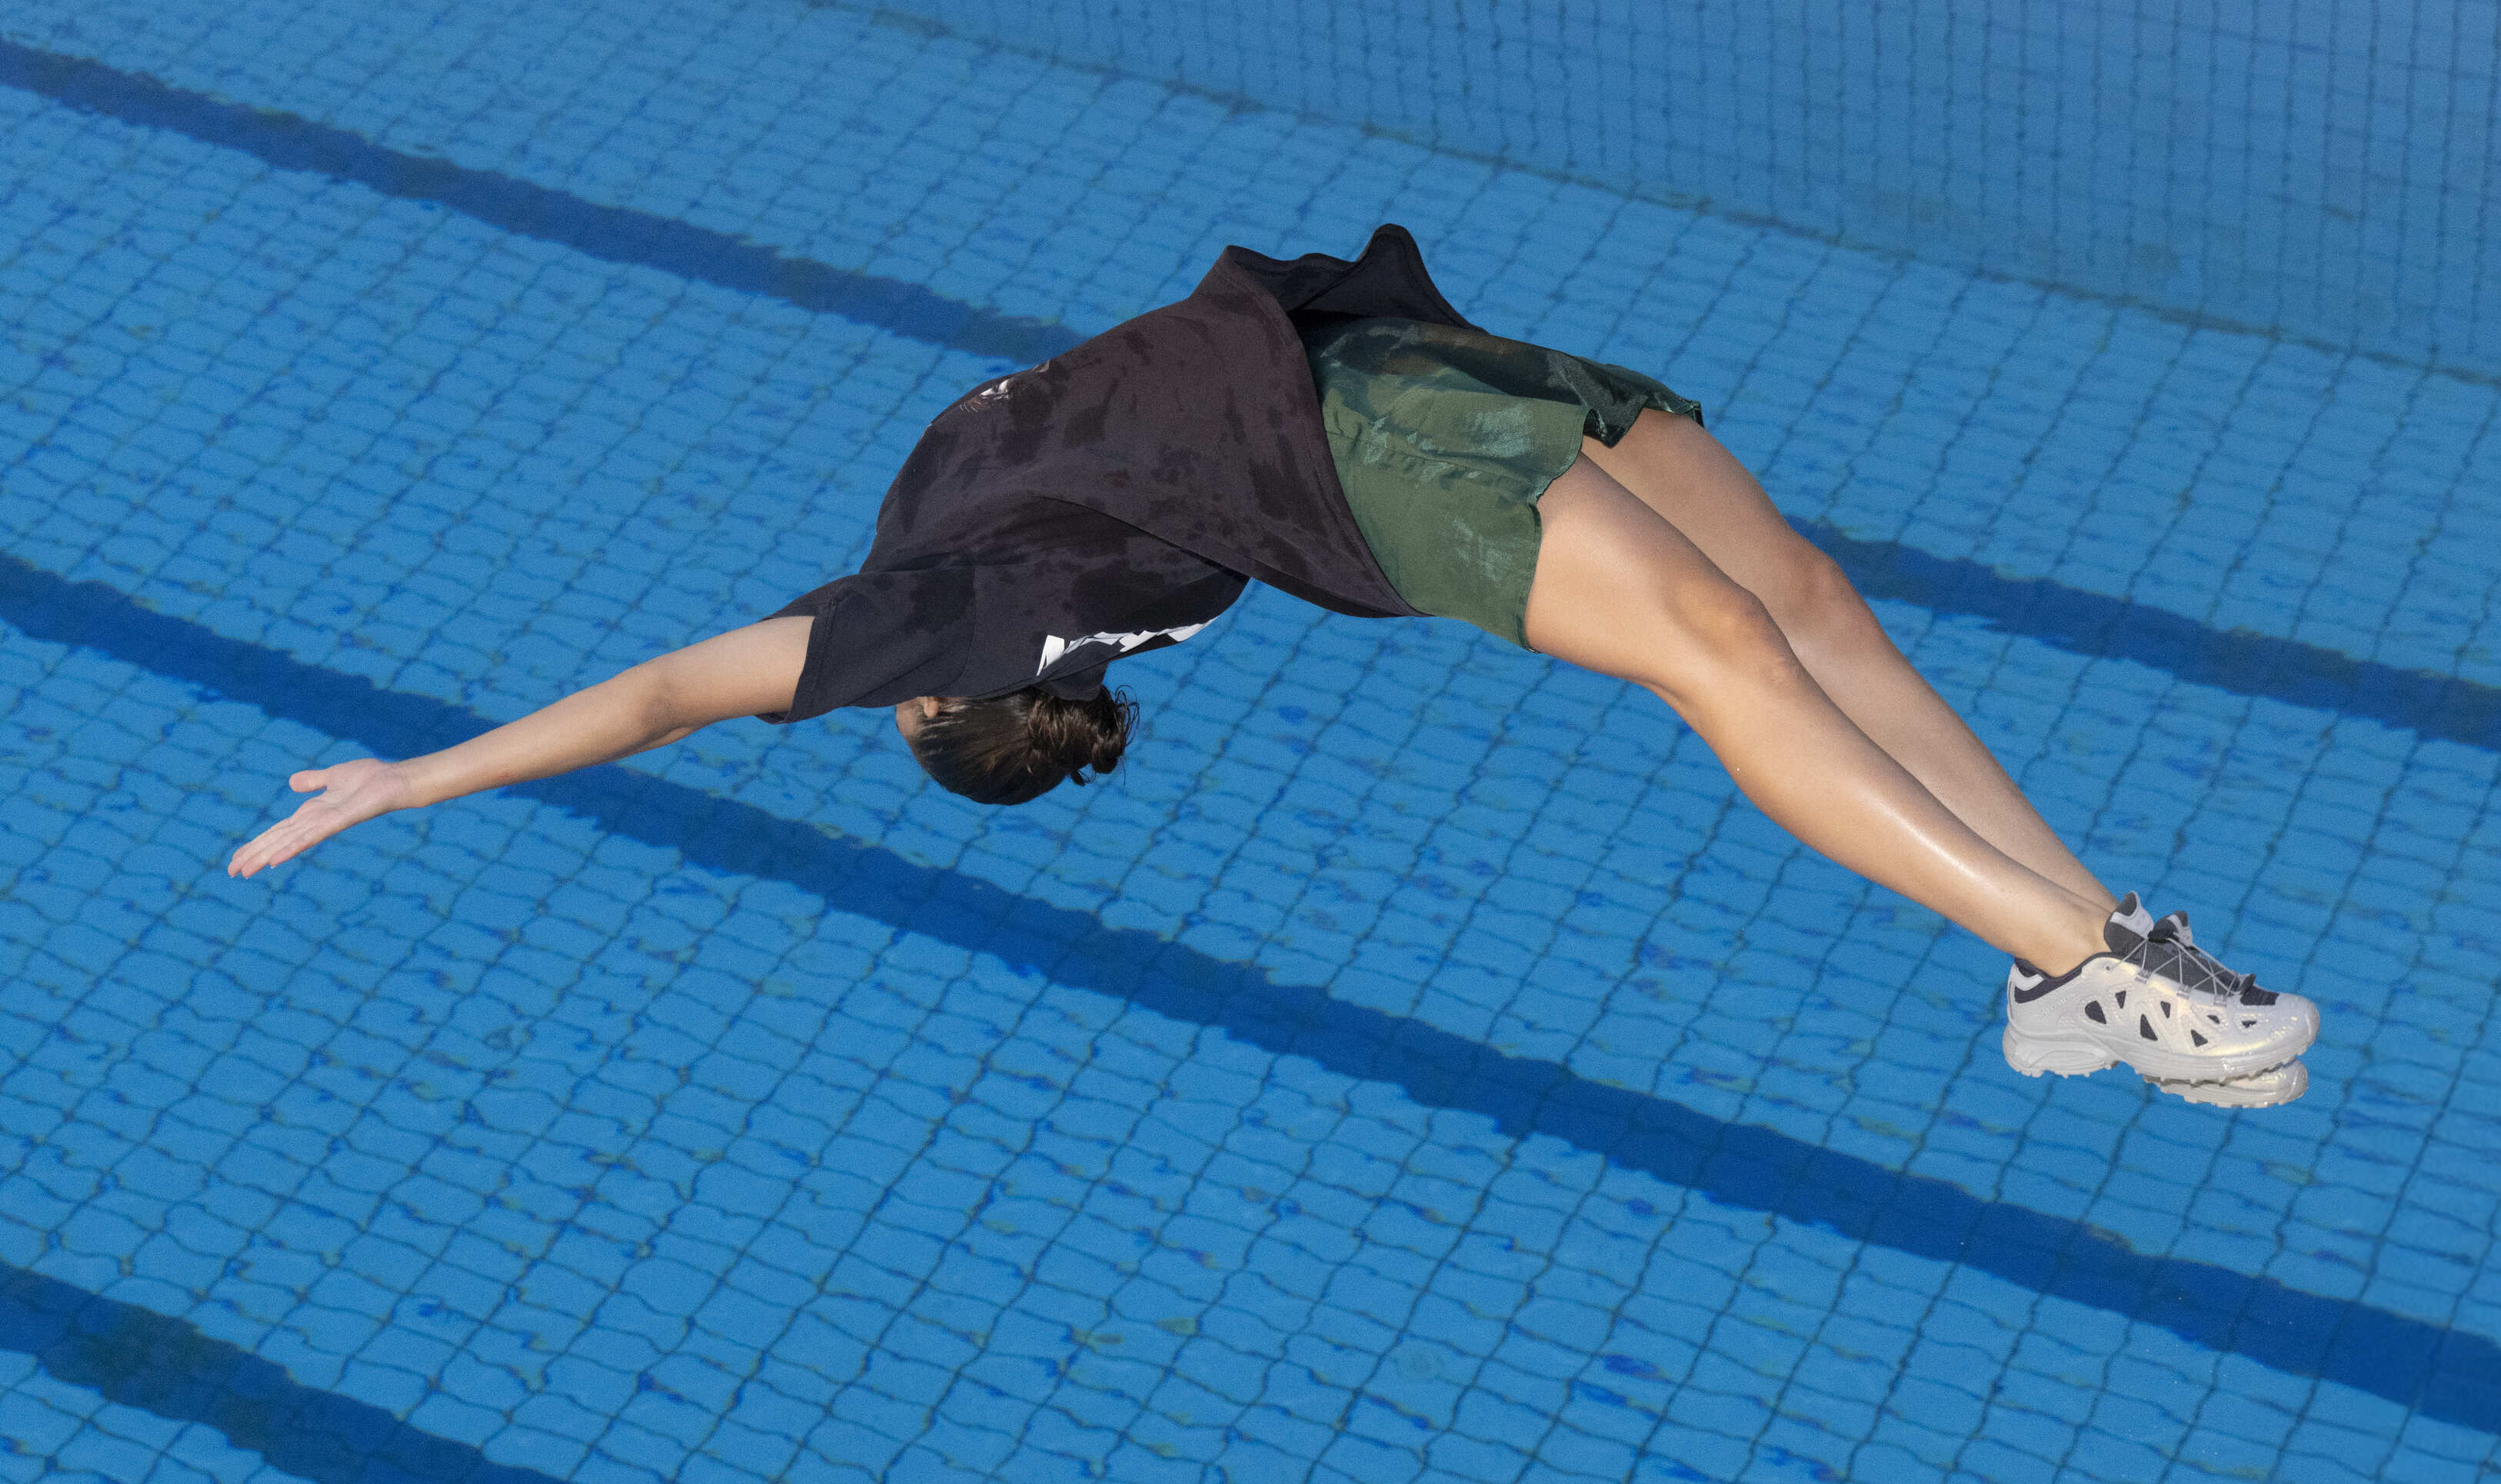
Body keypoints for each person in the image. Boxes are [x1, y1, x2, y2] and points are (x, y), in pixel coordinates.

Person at [227, 226, 2318, 1106]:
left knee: (1785, 620)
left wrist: (425, 778)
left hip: (1372, 379)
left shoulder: (944, 605)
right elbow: (685, 683)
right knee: (1750, 636)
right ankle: (2093, 949)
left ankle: (2071, 970)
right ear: (952, 709)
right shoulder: (950, 595)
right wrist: (417, 771)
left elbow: (671, 699)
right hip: (1363, 404)